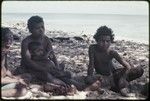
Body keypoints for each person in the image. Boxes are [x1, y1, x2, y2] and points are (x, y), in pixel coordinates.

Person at [87, 26, 144, 96]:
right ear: (97, 40)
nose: (105, 44)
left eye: (107, 41)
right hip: (104, 77)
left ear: (111, 41)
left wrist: (123, 78)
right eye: (102, 41)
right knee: (91, 79)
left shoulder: (112, 52)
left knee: (139, 71)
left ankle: (122, 84)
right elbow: (91, 65)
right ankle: (120, 86)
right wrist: (89, 77)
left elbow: (126, 66)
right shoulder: (92, 48)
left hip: (114, 75)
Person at [1, 27, 30, 97]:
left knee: (28, 76)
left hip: (3, 78)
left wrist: (13, 77)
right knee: (23, 91)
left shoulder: (4, 54)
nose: (6, 49)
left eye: (8, 47)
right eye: (5, 45)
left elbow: (6, 70)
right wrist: (17, 81)